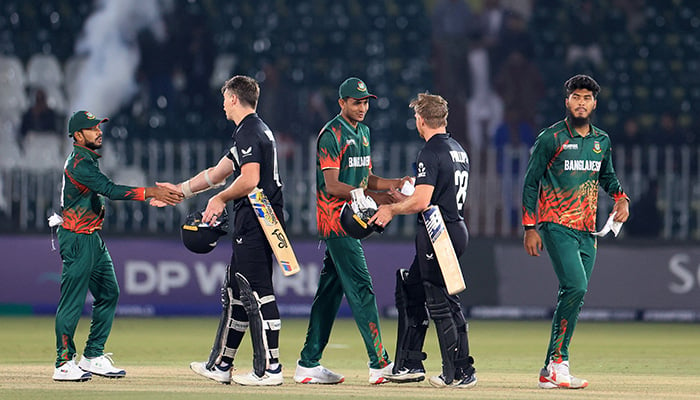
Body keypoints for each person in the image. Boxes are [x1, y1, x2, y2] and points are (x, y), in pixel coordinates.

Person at [157, 75, 287, 386]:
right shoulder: (253, 130)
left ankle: (270, 370)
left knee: (257, 291)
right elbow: (216, 173)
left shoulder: (249, 132)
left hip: (256, 218)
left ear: (233, 98)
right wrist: (180, 191)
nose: (222, 104)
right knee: (235, 290)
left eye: (225, 98)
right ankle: (221, 365)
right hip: (258, 218)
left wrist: (219, 198)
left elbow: (250, 179)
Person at [293, 77, 410, 385]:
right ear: (342, 103)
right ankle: (380, 363)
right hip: (336, 220)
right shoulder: (331, 134)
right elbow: (332, 185)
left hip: (352, 215)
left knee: (330, 294)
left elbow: (366, 177)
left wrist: (392, 184)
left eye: (366, 102)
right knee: (362, 288)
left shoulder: (364, 132)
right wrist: (364, 196)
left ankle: (308, 363)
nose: (362, 107)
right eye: (356, 102)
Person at [53, 110, 182, 382]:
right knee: (72, 303)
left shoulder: (87, 159)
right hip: (77, 237)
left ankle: (92, 355)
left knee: (109, 293)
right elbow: (109, 190)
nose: (99, 131)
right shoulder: (79, 164)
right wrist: (150, 192)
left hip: (91, 237)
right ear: (78, 136)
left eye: (99, 127)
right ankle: (63, 363)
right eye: (92, 128)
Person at [521, 74, 630, 389]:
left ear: (594, 103)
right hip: (556, 225)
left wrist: (621, 197)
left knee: (573, 295)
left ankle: (550, 370)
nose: (581, 102)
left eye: (587, 98)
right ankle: (559, 362)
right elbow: (530, 183)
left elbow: (606, 177)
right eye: (576, 97)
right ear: (566, 100)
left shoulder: (602, 140)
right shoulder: (551, 138)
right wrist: (530, 227)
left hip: (588, 231)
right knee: (577, 288)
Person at [369, 92, 477, 389]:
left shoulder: (430, 151)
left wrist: (392, 208)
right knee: (412, 290)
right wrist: (405, 198)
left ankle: (457, 372)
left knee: (440, 299)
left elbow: (423, 201)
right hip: (454, 227)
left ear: (420, 120)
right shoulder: (457, 149)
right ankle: (409, 363)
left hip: (437, 233)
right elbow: (428, 197)